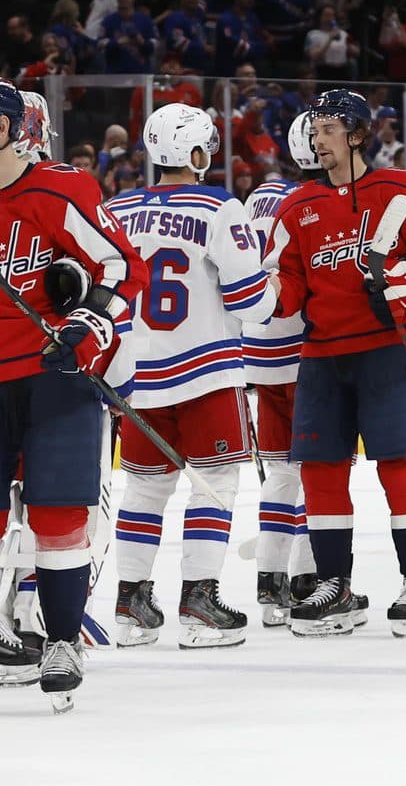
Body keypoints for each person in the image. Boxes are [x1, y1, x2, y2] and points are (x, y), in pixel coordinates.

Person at [0, 77, 147, 712]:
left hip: (57, 379)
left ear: (2, 128)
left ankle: (61, 642)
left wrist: (89, 322)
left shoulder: (60, 189)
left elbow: (122, 267)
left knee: (58, 516)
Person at [266, 89, 406, 636]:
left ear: (355, 134)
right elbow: (287, 280)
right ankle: (336, 586)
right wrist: (258, 295)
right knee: (321, 468)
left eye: (328, 129)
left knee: (398, 463)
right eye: (314, 129)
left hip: (388, 350)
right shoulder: (297, 206)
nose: (317, 138)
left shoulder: (402, 189)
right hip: (323, 353)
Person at [104, 105, 274, 649]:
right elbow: (250, 300)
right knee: (216, 483)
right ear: (198, 154)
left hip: (135, 375)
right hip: (205, 372)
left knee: (145, 489)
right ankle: (199, 601)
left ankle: (130, 603)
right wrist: (276, 288)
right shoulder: (219, 205)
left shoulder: (115, 210)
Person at [242, 114, 319, 625]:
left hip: (256, 349)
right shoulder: (309, 204)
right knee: (318, 470)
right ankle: (308, 581)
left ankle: (270, 584)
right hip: (302, 351)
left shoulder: (253, 200)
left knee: (279, 470)